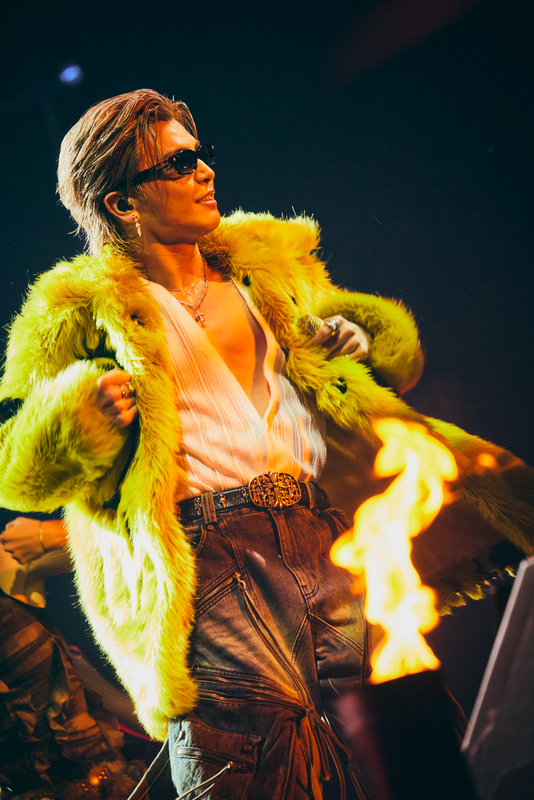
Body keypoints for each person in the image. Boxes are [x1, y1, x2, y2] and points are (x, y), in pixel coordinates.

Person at [0, 89, 533, 799]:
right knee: (253, 767)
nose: (205, 172)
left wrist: (359, 339)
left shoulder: (269, 268)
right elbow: (17, 473)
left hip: (326, 536)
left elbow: (390, 366)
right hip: (208, 565)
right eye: (178, 163)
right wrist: (77, 417)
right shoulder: (76, 314)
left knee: (403, 746)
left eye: (200, 154)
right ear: (122, 203)